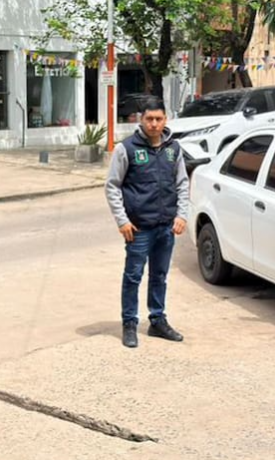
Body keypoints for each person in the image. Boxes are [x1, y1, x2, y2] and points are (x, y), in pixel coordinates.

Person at [105, 98, 189, 349]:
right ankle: (129, 323)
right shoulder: (127, 149)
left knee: (159, 275)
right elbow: (112, 186)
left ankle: (157, 320)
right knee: (133, 276)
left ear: (165, 120)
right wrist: (122, 220)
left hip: (166, 226)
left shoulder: (174, 148)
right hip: (138, 228)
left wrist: (182, 215)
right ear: (141, 120)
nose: (154, 124)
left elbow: (182, 183)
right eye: (149, 119)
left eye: (158, 119)